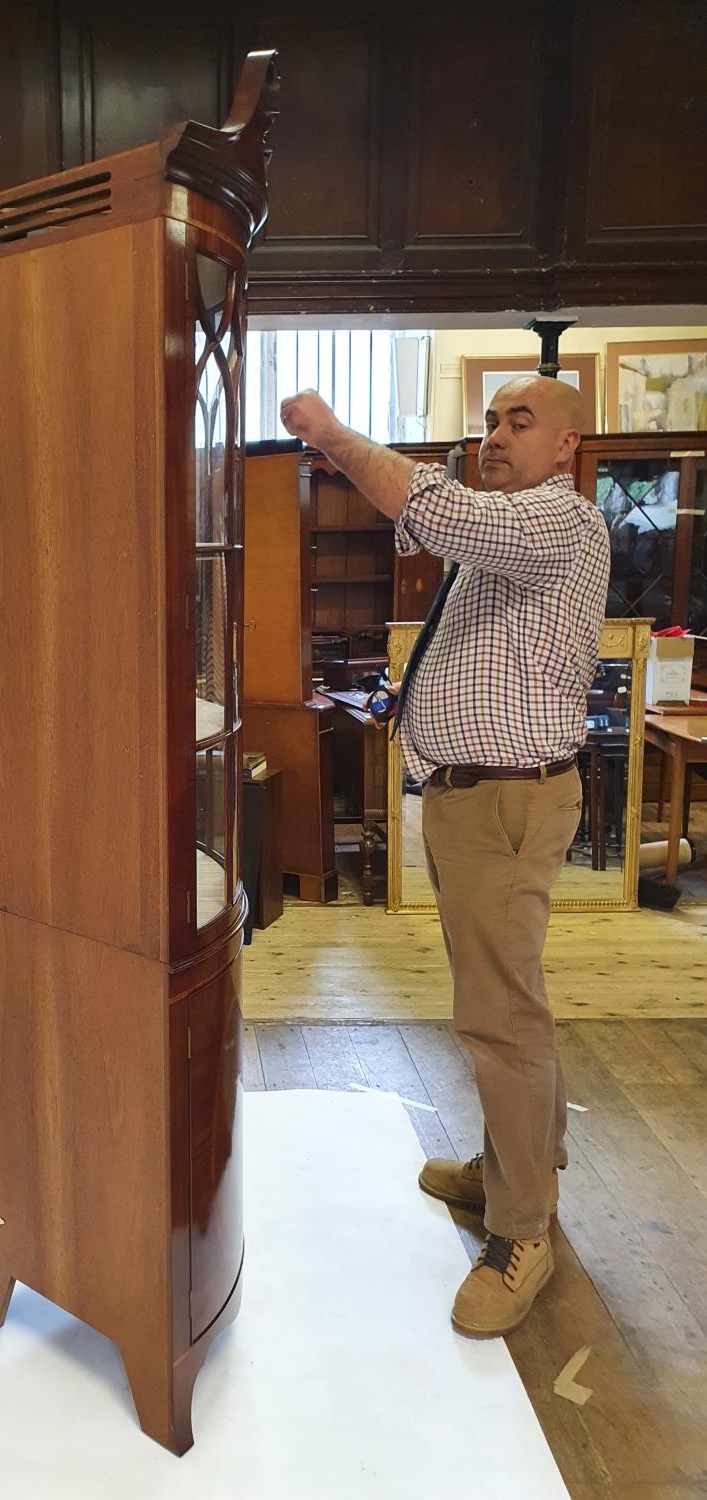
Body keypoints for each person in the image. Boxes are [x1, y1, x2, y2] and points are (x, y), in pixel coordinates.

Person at [280, 376, 610, 1338]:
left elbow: (426, 507)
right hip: (479, 801)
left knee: (500, 1019)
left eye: (519, 423)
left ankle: (520, 1233)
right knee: (509, 998)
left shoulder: (558, 521)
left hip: (505, 801)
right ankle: (518, 1168)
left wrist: (333, 435)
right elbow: (429, 527)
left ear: (565, 447)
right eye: (489, 422)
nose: (495, 438)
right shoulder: (504, 535)